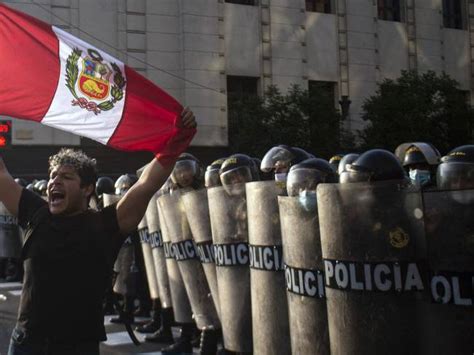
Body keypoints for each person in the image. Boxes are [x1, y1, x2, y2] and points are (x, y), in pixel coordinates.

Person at [2, 108, 196, 355]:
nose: (55, 182)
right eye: (52, 176)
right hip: (26, 344)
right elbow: (1, 174)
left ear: (87, 189)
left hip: (78, 348)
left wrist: (179, 138)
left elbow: (147, 183)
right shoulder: (36, 213)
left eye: (66, 177)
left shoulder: (105, 225)